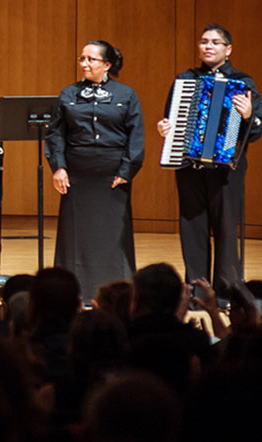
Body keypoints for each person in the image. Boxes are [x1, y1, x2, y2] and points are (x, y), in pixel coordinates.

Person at [156, 24, 259, 295]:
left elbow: (256, 131)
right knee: (192, 227)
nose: (208, 46)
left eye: (215, 42)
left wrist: (248, 116)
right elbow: (172, 119)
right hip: (189, 164)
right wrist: (165, 129)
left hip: (226, 168)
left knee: (225, 228)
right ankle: (197, 289)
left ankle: (226, 290)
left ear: (228, 49)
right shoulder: (185, 80)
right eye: (203, 42)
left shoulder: (242, 82)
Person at [45, 40, 145, 295]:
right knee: (75, 236)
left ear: (107, 65)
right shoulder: (68, 94)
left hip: (112, 175)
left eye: (91, 59)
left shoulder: (127, 94)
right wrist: (59, 168)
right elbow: (55, 135)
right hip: (77, 174)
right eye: (82, 59)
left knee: (112, 236)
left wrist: (126, 171)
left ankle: (117, 292)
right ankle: (74, 291)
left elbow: (136, 136)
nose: (84, 64)